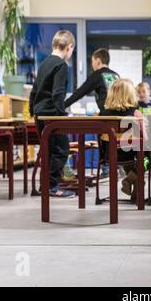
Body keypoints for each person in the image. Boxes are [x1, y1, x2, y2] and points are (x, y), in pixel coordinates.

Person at [29, 30, 76, 197]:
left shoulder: (44, 63)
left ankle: (46, 186)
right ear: (69, 47)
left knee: (47, 151)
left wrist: (32, 110)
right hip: (52, 115)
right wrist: (62, 115)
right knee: (61, 149)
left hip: (40, 114)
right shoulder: (61, 65)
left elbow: (34, 91)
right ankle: (51, 187)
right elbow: (58, 94)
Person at [64, 48, 120, 179]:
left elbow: (80, 92)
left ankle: (106, 169)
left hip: (107, 115)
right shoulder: (116, 75)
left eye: (92, 61)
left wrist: (63, 105)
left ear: (98, 61)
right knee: (113, 140)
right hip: (119, 115)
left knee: (103, 138)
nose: (92, 64)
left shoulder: (98, 75)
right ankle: (115, 167)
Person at [100, 79, 146, 201]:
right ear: (131, 95)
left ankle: (135, 183)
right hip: (131, 154)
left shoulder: (102, 114)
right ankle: (132, 178)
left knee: (128, 152)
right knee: (147, 154)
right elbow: (144, 140)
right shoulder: (135, 114)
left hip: (109, 154)